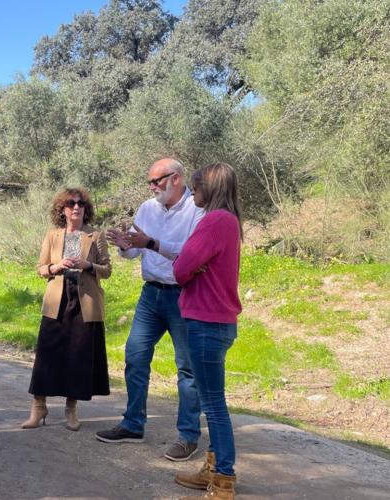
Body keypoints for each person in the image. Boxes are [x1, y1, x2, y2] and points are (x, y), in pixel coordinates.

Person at [96, 158, 206, 462]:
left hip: (184, 294)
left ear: (177, 178)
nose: (152, 187)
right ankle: (133, 424)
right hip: (152, 293)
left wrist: (152, 243)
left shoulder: (197, 209)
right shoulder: (146, 208)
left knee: (187, 368)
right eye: (150, 182)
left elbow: (191, 255)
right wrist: (123, 244)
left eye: (157, 181)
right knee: (135, 354)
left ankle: (188, 436)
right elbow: (133, 251)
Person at [172, 163, 243, 500]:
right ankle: (213, 469)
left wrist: (187, 264)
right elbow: (189, 264)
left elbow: (181, 268)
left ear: (208, 188)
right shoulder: (230, 221)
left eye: (195, 187)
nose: (192, 193)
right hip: (220, 322)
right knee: (213, 401)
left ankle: (224, 480)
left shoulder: (214, 220)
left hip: (206, 322)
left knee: (213, 405)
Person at [21, 188, 112, 431]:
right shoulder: (53, 236)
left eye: (81, 203)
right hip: (57, 299)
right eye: (71, 203)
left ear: (86, 208)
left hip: (85, 300)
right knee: (47, 354)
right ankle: (38, 407)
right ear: (62, 209)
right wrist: (56, 266)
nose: (76, 207)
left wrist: (89, 265)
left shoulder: (95, 235)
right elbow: (40, 268)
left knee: (78, 355)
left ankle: (71, 410)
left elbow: (107, 269)